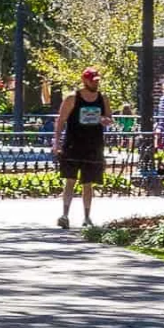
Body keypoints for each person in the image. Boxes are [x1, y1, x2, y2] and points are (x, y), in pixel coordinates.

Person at [53, 67, 109, 229]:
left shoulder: (102, 98)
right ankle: (65, 215)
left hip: (94, 145)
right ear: (84, 80)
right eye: (92, 80)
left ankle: (87, 217)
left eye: (97, 80)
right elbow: (61, 121)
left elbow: (108, 117)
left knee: (88, 183)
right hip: (73, 144)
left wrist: (105, 120)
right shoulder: (72, 98)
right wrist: (56, 142)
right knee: (70, 180)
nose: (95, 83)